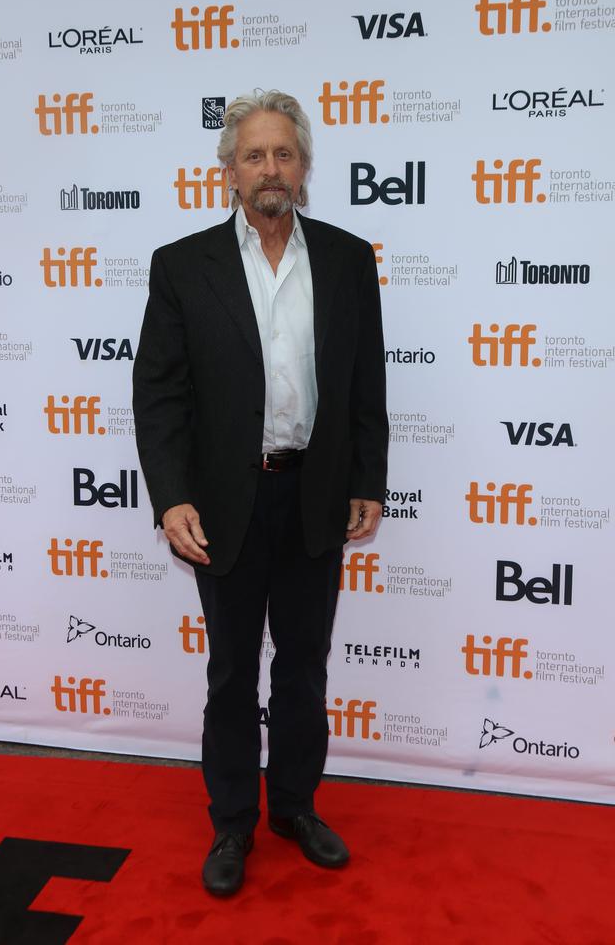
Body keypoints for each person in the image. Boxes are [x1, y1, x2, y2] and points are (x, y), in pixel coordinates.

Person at [132, 90, 388, 897]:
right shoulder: (182, 266)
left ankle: (297, 809)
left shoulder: (348, 259)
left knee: (304, 668)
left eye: (283, 153)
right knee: (232, 672)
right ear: (229, 172)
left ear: (303, 168)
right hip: (224, 505)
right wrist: (171, 496)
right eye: (254, 155)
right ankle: (234, 822)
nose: (270, 168)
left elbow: (366, 382)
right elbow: (160, 394)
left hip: (315, 496)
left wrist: (367, 481)